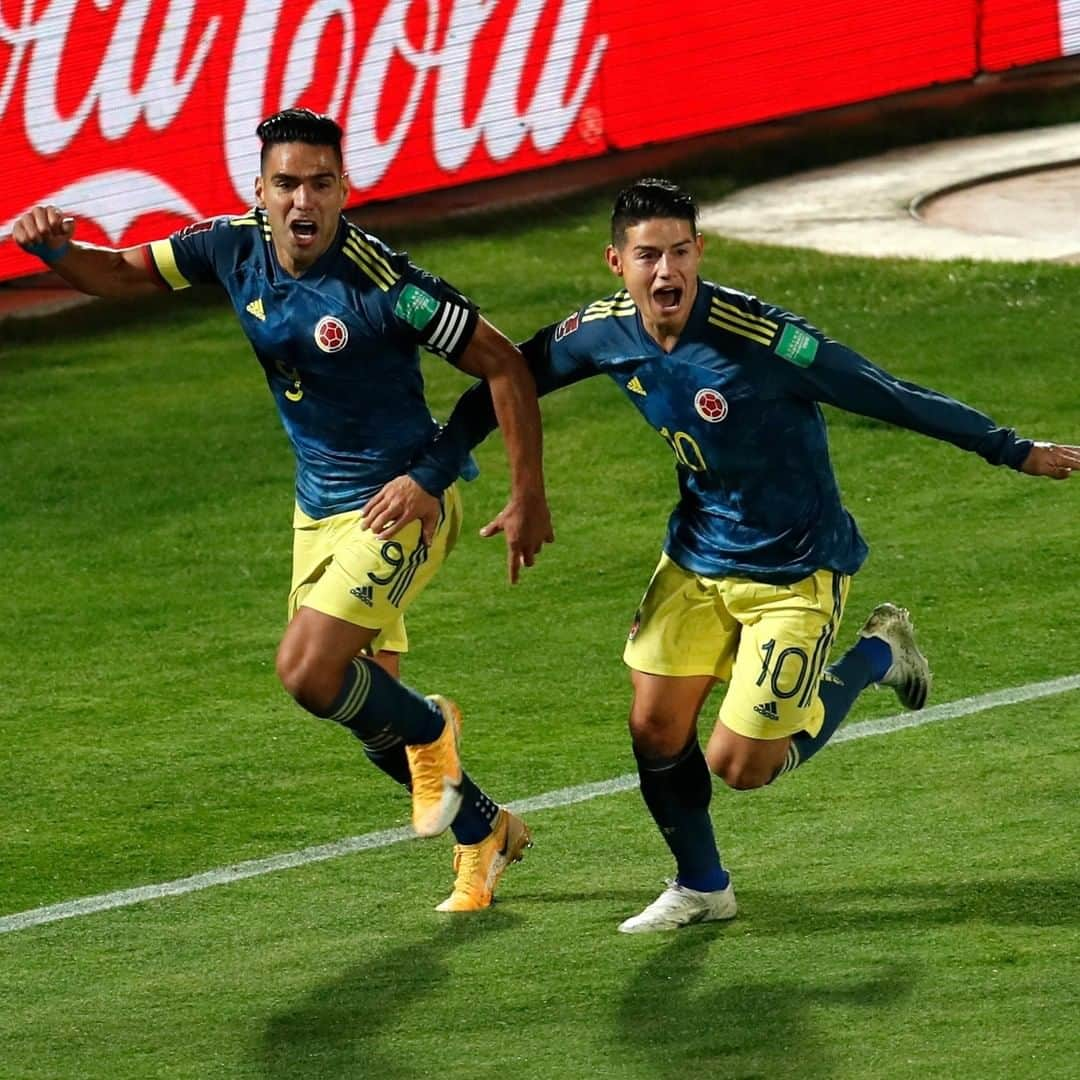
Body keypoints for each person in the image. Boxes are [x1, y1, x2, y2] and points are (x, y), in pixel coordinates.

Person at [377, 177, 1080, 933]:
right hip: (697, 556)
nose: (666, 272)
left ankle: (877, 653)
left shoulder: (765, 340)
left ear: (699, 251)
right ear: (617, 262)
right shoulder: (602, 331)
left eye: (680, 252)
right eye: (648, 256)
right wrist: (440, 469)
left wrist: (1013, 451)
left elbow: (887, 393)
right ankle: (703, 886)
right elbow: (504, 376)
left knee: (743, 767)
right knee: (652, 726)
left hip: (795, 567)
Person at [11, 108, 555, 913]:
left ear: (345, 190)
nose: (304, 201)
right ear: (258, 190)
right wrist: (55, 250)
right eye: (287, 183)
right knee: (369, 716)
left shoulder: (385, 286)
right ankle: (485, 830)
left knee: (308, 671)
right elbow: (125, 274)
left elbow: (504, 366)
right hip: (318, 510)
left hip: (399, 503)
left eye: (321, 184)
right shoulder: (230, 248)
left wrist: (496, 488)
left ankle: (435, 726)